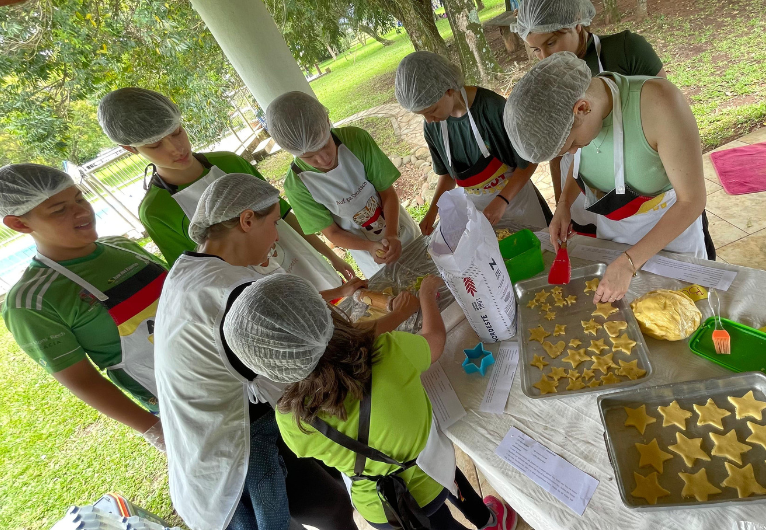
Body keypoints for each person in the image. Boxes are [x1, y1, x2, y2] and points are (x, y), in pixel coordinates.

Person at [155, 172, 420, 530]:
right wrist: (398, 315)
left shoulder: (191, 268)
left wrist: (340, 292)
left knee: (330, 497)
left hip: (207, 440)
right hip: (235, 451)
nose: (277, 236)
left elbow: (277, 308)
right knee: (331, 508)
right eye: (274, 223)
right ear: (247, 220)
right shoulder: (230, 294)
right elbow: (328, 348)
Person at [222, 273, 518, 530]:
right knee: (447, 501)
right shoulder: (388, 351)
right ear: (322, 311)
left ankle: (484, 520)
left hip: (381, 506)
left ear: (268, 366)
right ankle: (488, 520)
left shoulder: (291, 421)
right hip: (430, 474)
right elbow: (435, 340)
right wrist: (427, 295)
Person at [504, 52, 713, 305]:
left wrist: (629, 262)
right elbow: (582, 163)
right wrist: (564, 204)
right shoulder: (581, 121)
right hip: (613, 240)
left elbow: (692, 200)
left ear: (582, 108)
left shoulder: (660, 104)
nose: (573, 153)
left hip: (671, 240)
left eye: (572, 144)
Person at [97, 87, 353, 291]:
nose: (176, 148)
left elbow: (283, 214)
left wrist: (330, 256)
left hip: (302, 260)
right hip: (258, 292)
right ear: (130, 149)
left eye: (177, 132)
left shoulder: (229, 162)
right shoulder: (156, 210)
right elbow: (197, 275)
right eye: (155, 145)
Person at [1, 164, 165, 451]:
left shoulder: (123, 246)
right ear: (20, 224)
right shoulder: (32, 302)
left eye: (79, 198)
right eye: (59, 210)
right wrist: (155, 430)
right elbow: (82, 381)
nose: (82, 212)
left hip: (232, 364)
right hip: (181, 402)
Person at [514, 0, 667, 233]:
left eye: (551, 43)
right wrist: (562, 204)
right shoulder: (550, 80)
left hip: (652, 183)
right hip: (590, 185)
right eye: (536, 50)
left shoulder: (627, 50)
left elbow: (667, 109)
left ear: (576, 23)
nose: (545, 57)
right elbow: (562, 151)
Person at [394, 51, 552, 236]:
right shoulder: (433, 127)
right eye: (422, 115)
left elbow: (529, 162)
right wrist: (432, 212)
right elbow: (448, 175)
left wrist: (502, 200)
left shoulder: (493, 108)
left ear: (449, 89)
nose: (428, 120)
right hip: (482, 217)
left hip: (519, 205)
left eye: (432, 110)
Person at [266, 91, 420, 279]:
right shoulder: (297, 185)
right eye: (310, 157)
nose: (324, 159)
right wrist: (370, 246)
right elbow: (332, 232)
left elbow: (386, 193)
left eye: (325, 145)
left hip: (400, 230)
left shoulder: (356, 139)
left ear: (327, 122)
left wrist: (392, 234)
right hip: (369, 254)